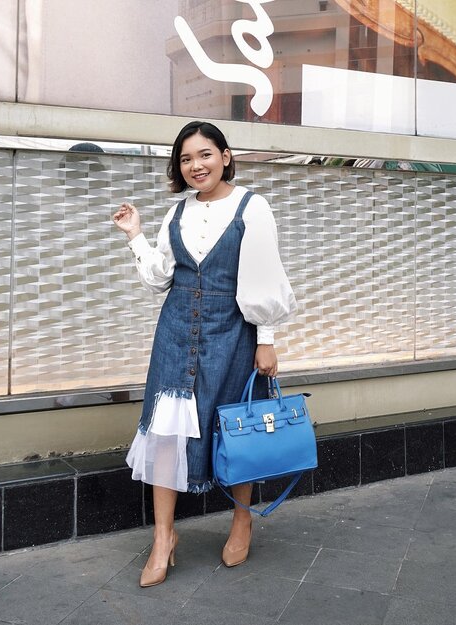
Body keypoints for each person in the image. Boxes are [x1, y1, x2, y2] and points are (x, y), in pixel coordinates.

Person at [112, 121, 296, 587]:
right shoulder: (176, 214)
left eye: (205, 154)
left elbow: (263, 276)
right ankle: (163, 538)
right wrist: (134, 234)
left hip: (232, 333)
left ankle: (241, 521)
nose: (196, 165)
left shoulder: (253, 208)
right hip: (175, 333)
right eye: (187, 158)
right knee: (165, 433)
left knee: (235, 427)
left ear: (226, 156)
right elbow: (159, 277)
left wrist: (267, 338)